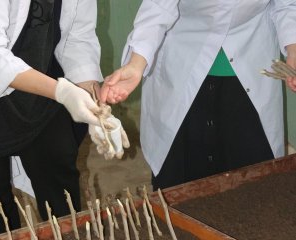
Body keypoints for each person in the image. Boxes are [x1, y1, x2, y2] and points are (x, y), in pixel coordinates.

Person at [100, 1, 296, 191]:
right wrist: (136, 64)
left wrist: (293, 50)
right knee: (180, 185)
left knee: (252, 186)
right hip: (184, 63)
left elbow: (287, 4)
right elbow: (158, 7)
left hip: (251, 61)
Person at [0, 0, 103, 238]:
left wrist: (97, 108)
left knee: (61, 191)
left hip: (41, 89)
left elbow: (77, 38)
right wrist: (62, 92)